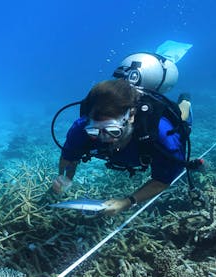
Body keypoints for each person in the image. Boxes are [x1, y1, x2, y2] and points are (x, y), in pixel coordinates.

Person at [51, 78, 193, 215]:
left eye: (113, 131)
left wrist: (126, 202)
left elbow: (162, 181)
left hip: (165, 125)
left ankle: (185, 102)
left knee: (181, 117)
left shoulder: (162, 135)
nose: (104, 138)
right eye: (94, 131)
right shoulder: (80, 128)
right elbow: (69, 158)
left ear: (131, 116)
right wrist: (65, 177)